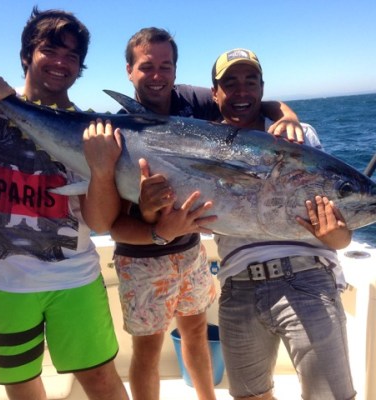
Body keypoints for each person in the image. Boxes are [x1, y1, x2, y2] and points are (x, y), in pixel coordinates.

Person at [106, 27, 304, 400]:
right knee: (148, 351)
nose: (157, 75)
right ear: (129, 70)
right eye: (147, 66)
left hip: (191, 250)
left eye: (166, 66)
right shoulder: (115, 128)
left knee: (195, 331)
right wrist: (157, 227)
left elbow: (248, 100)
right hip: (142, 258)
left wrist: (288, 114)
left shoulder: (191, 101)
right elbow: (113, 223)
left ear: (176, 70)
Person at [0, 8, 128, 400]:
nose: (62, 62)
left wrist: (101, 170)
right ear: (27, 55)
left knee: (100, 377)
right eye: (50, 50)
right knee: (21, 383)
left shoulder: (92, 130)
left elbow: (98, 220)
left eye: (73, 57)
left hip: (73, 279)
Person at [211, 48, 356, 400]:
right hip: (237, 286)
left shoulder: (297, 135)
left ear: (263, 88)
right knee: (249, 396)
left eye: (250, 81)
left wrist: (334, 233)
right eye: (230, 83)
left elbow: (341, 238)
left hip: (306, 277)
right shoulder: (198, 143)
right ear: (214, 93)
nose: (241, 91)